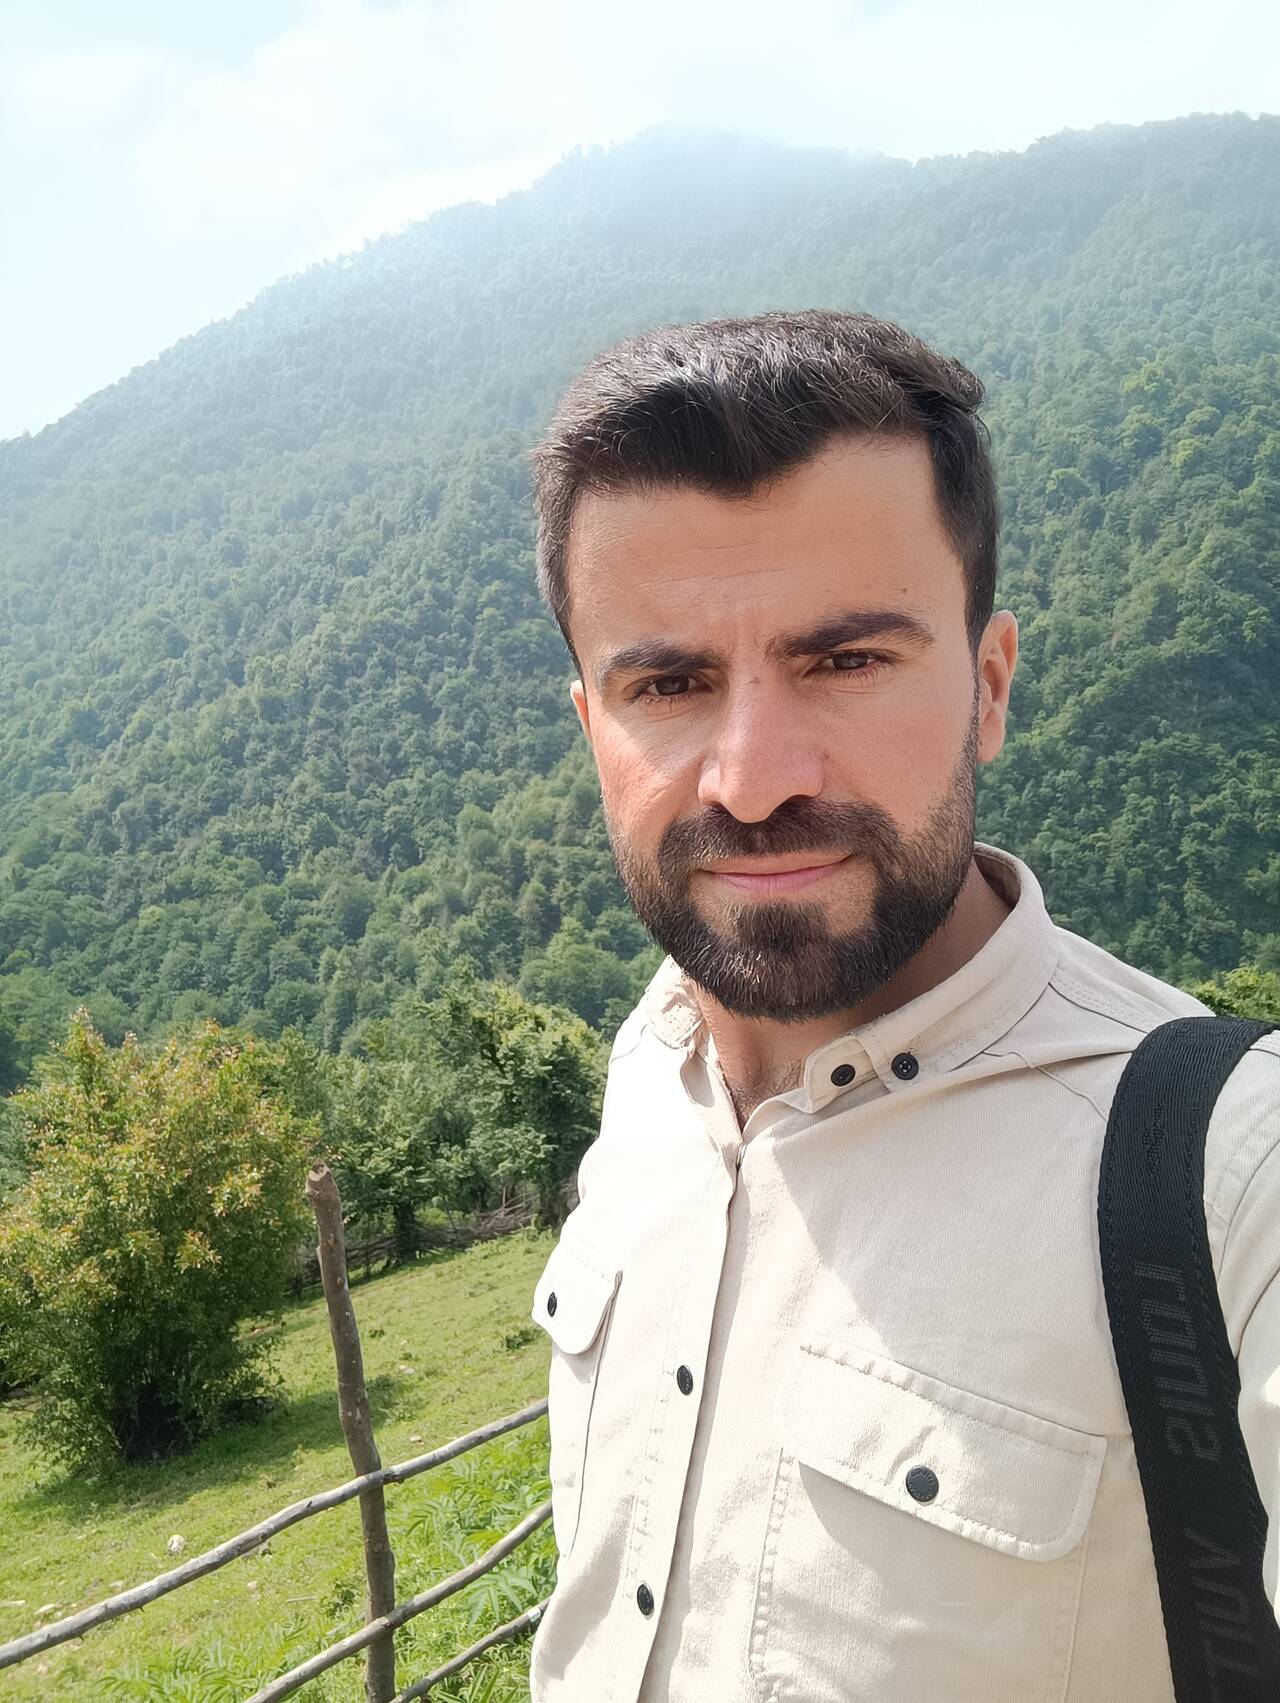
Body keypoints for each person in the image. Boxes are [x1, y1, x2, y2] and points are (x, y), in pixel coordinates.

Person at [521, 309, 1280, 1701]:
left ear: (988, 688)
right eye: (669, 684)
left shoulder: (1230, 1173)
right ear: (593, 727)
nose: (753, 778)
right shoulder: (648, 1075)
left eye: (847, 661)